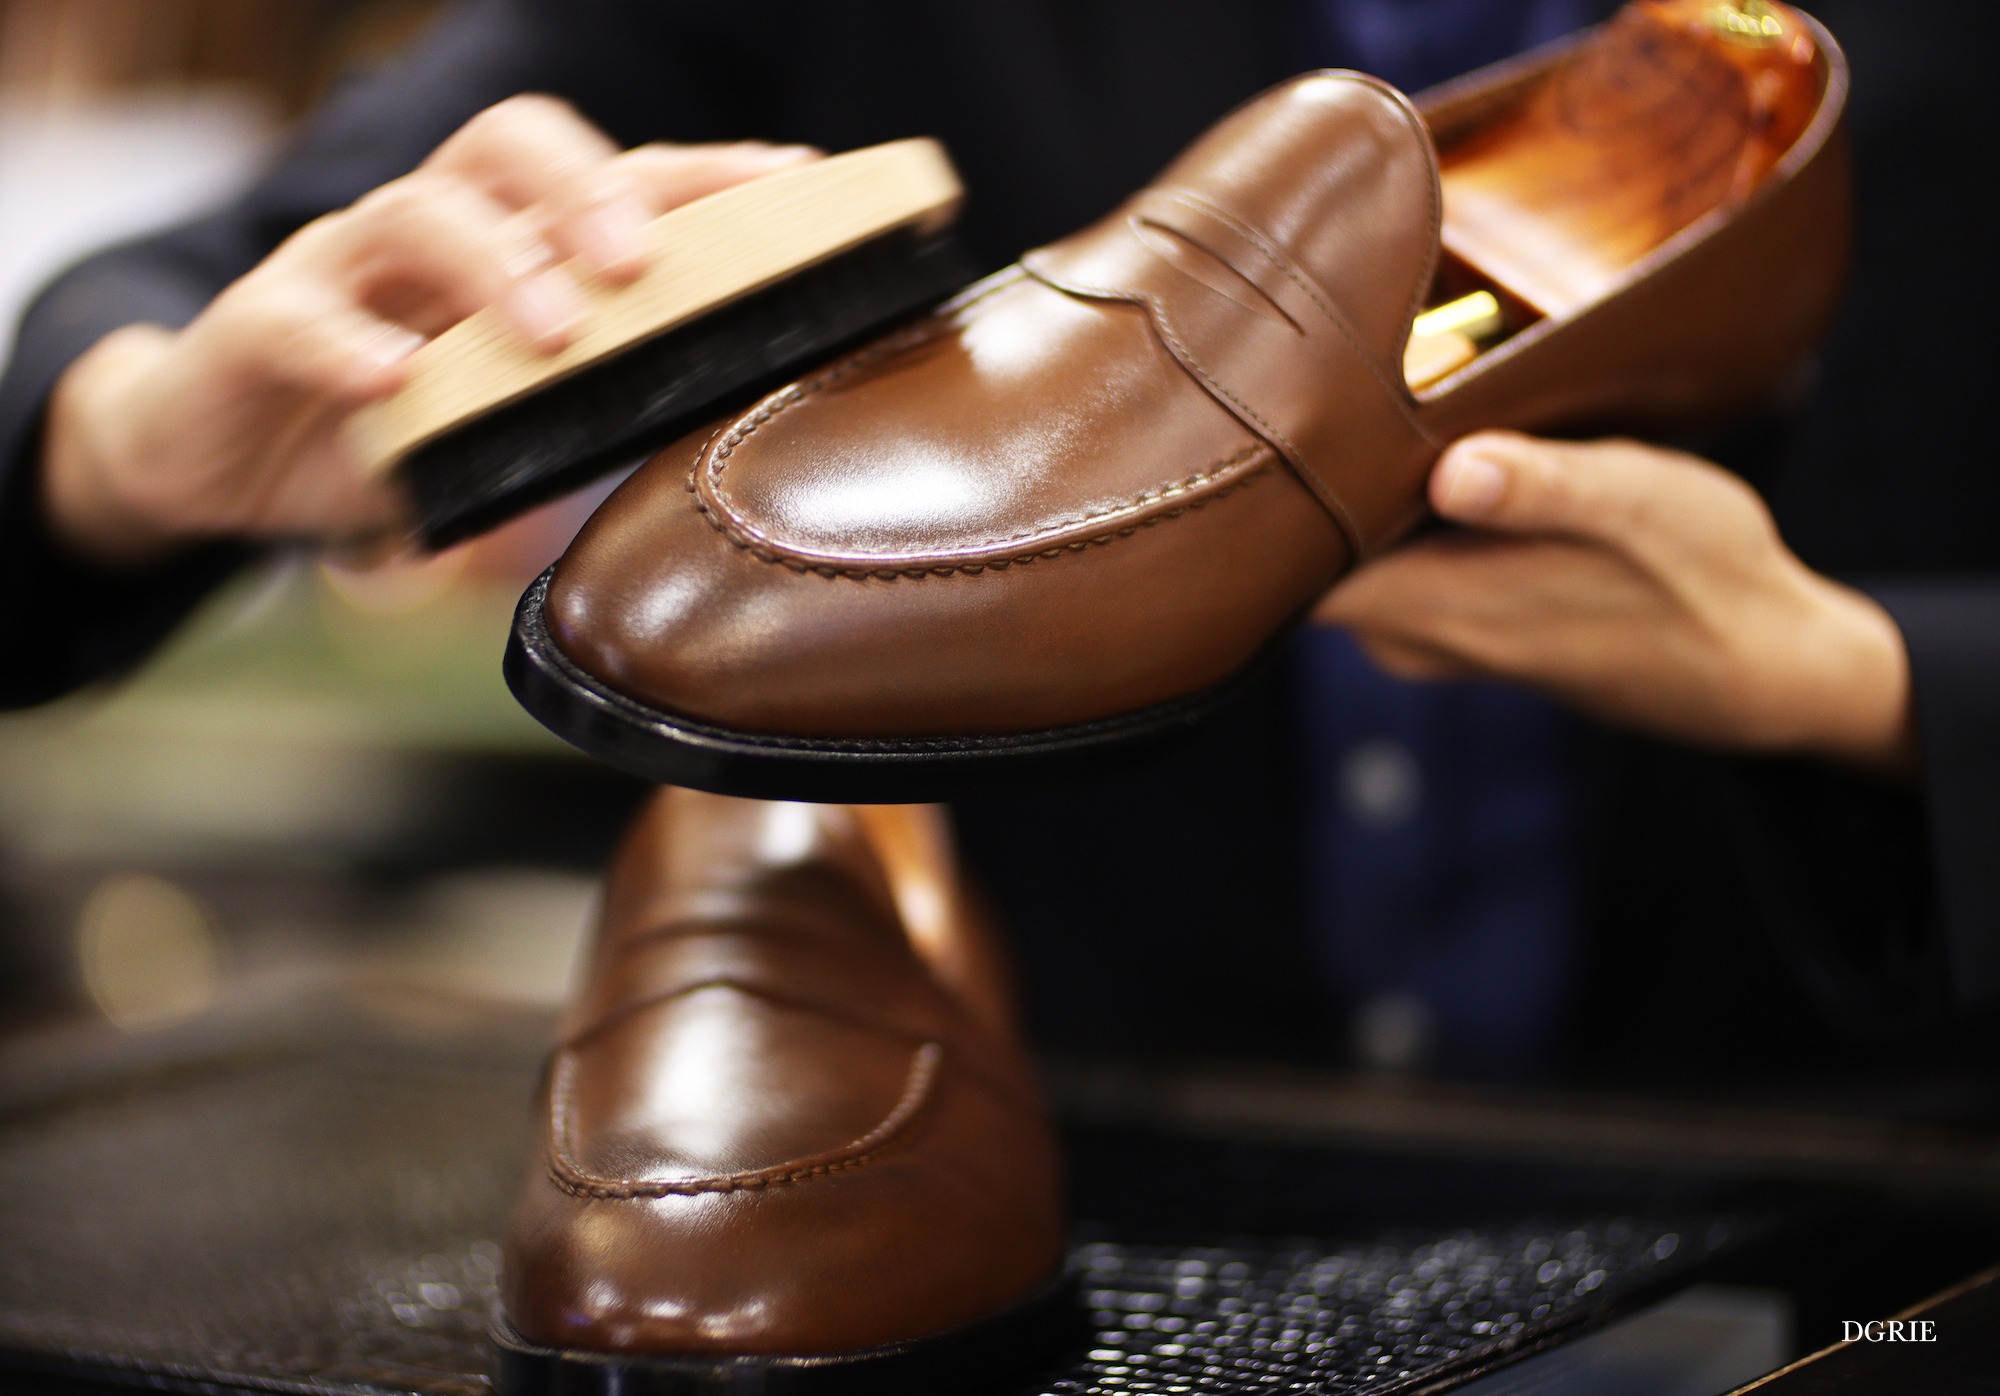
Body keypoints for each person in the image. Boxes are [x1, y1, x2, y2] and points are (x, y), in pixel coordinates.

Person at [1, 0, 1992, 1085]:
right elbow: (212, 269)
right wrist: (121, 443)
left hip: (1840, 1179)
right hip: (1097, 1157)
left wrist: (1863, 677)